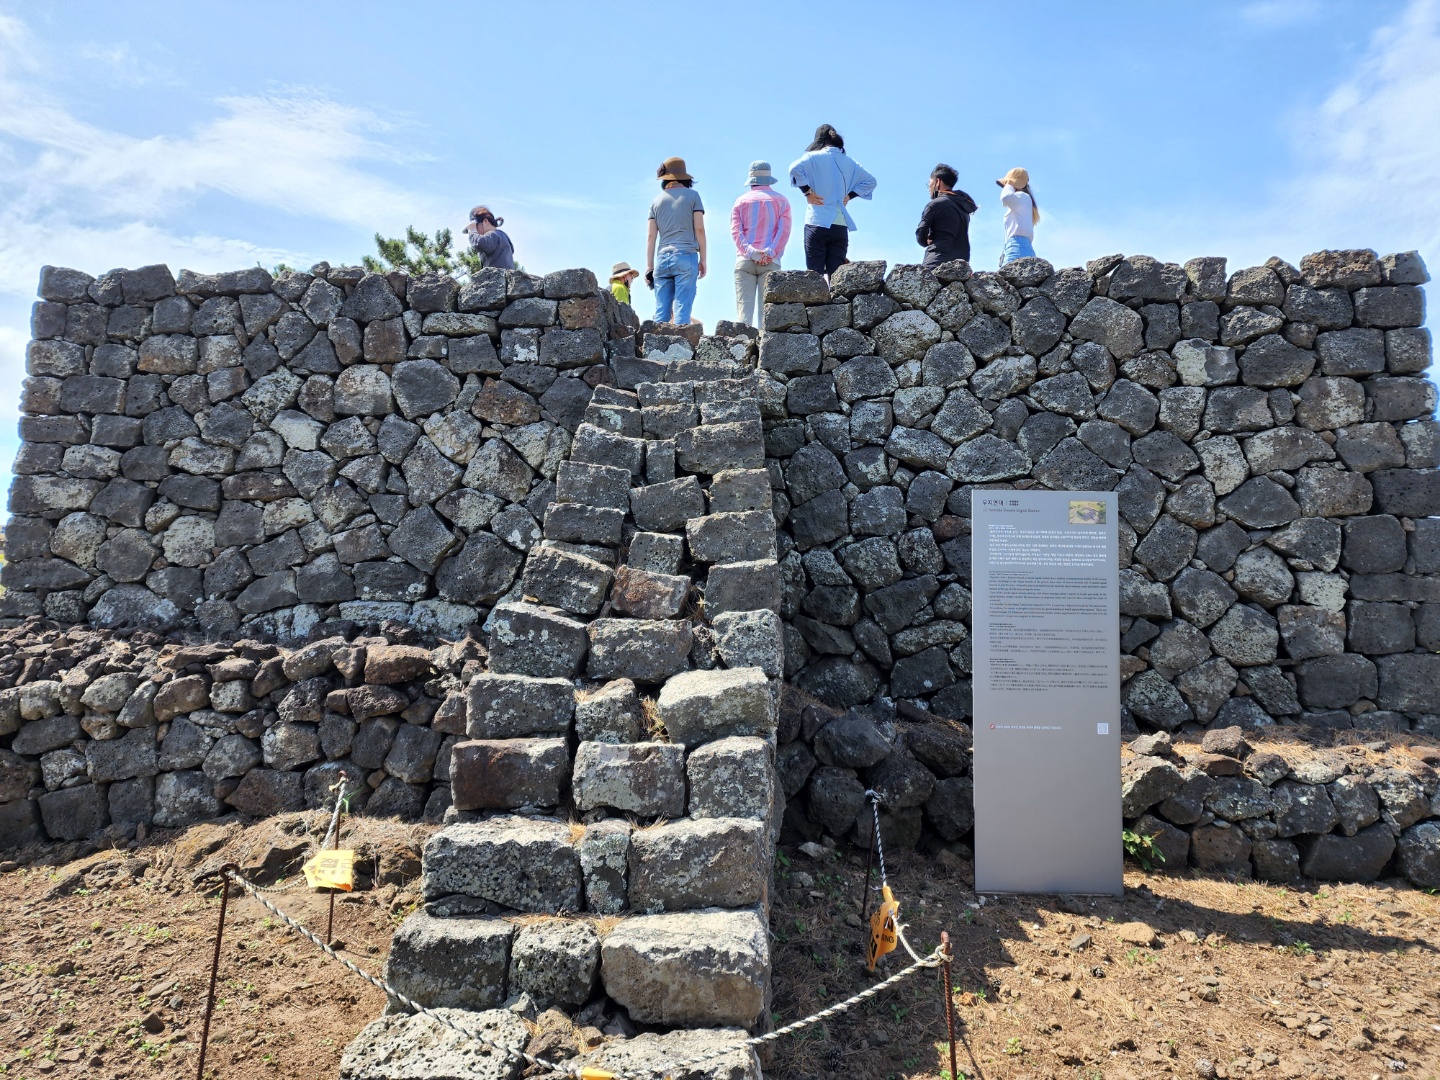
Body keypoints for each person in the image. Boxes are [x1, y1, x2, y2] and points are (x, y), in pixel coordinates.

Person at [788, 124, 876, 278]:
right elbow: (871, 181)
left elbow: (794, 169)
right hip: (840, 225)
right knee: (836, 277)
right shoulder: (850, 162)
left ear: (820, 142)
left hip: (817, 221)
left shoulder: (813, 157)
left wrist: (807, 191)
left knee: (814, 276)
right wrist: (849, 196)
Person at [729, 160, 793, 327]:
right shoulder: (782, 201)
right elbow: (784, 231)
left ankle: (744, 343)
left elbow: (736, 232)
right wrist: (769, 252)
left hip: (744, 261)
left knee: (744, 316)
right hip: (771, 262)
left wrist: (752, 252)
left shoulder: (740, 201)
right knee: (766, 315)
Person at [646, 157, 706, 326]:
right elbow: (699, 229)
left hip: (662, 259)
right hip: (686, 255)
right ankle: (680, 343)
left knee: (661, 313)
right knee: (682, 311)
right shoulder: (693, 196)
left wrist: (649, 267)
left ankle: (655, 342)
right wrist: (703, 259)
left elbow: (651, 237)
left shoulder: (656, 201)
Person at [915, 164, 978, 268]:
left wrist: (925, 240)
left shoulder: (935, 204)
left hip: (936, 261)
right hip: (961, 266)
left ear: (937, 182)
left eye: (929, 183)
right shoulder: (964, 209)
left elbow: (920, 234)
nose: (929, 188)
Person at [996, 168, 1040, 265]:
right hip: (1022, 247)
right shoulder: (1024, 200)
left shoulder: (1021, 196)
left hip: (1016, 247)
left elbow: (1006, 198)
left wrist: (1009, 184)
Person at [465, 205, 514, 270]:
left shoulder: (494, 234)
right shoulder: (500, 236)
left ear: (485, 221)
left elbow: (480, 243)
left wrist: (472, 230)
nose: (477, 232)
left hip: (497, 275)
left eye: (476, 227)